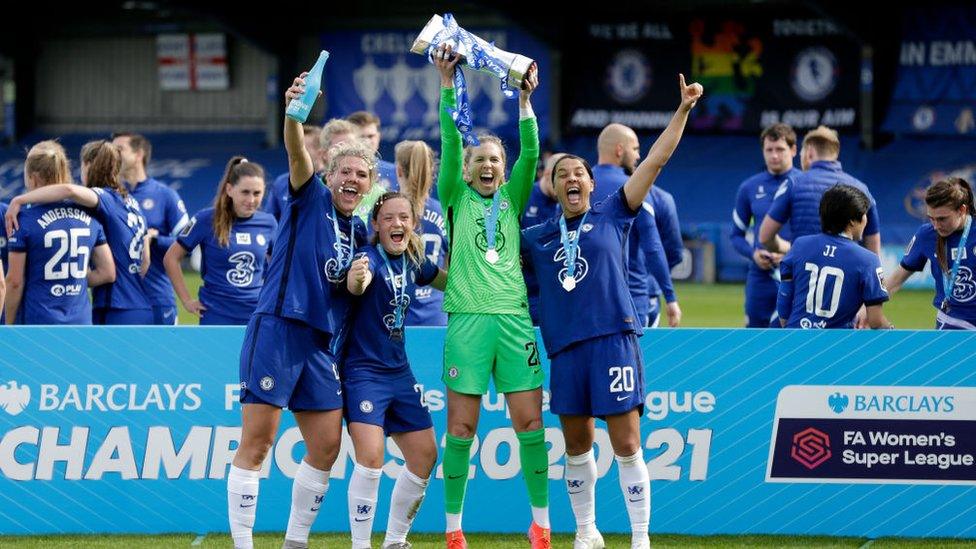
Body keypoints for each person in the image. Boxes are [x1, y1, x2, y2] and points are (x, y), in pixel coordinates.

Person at [522, 74, 702, 549]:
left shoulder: (613, 212)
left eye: (578, 173)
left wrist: (681, 110)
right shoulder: (537, 237)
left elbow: (657, 160)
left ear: (591, 180)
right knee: (577, 449)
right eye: (562, 175)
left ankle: (639, 537)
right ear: (553, 187)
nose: (572, 179)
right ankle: (587, 532)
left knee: (626, 444)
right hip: (565, 350)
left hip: (613, 340)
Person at [226, 73, 369, 549]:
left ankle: (295, 541)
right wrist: (294, 114)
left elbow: (346, 288)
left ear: (368, 186)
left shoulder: (360, 233)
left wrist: (354, 284)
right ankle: (244, 544)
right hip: (278, 330)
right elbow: (294, 149)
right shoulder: (309, 197)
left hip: (319, 344)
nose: (352, 179)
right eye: (345, 171)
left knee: (327, 446)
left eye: (361, 175)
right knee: (259, 444)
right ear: (329, 174)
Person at [432, 43, 550, 549]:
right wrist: (445, 84)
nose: (486, 165)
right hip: (467, 323)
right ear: (468, 167)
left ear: (503, 168)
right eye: (479, 159)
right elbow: (449, 141)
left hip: (514, 322)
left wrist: (525, 101)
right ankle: (453, 529)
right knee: (461, 429)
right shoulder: (453, 194)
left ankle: (541, 524)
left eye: (494, 160)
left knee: (530, 425)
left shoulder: (514, 198)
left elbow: (533, 152)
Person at [343, 192, 447, 549]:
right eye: (388, 218)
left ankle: (395, 540)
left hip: (400, 372)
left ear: (413, 224)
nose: (397, 224)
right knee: (371, 459)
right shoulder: (368, 258)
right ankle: (360, 544)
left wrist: (483, 283)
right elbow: (358, 283)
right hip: (363, 373)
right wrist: (357, 279)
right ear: (376, 225)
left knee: (425, 455)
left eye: (403, 217)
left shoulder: (414, 261)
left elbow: (444, 281)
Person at [4, 140, 150, 324]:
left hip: (111, 307)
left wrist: (18, 200)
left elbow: (69, 190)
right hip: (131, 304)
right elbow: (143, 261)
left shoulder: (101, 199)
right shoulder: (121, 205)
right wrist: (75, 278)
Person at [164, 157, 277, 325]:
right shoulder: (205, 219)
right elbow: (171, 258)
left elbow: (280, 265)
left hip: (256, 315)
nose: (251, 200)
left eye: (257, 193)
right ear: (230, 189)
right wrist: (187, 301)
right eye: (245, 192)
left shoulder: (269, 223)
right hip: (216, 314)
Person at [592, 123, 681, 327]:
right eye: (635, 149)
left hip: (587, 297)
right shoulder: (634, 191)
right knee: (634, 358)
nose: (638, 156)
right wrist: (670, 297)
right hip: (630, 297)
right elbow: (653, 246)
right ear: (619, 150)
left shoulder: (579, 186)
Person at [776, 185, 891, 329]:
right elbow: (875, 321)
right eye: (864, 214)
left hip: (796, 338)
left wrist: (788, 328)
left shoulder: (799, 245)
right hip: (838, 345)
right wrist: (892, 330)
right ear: (852, 221)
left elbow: (784, 294)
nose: (866, 220)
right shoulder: (868, 260)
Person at [759, 125, 881, 255]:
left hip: (804, 271)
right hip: (846, 272)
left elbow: (765, 237)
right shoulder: (861, 189)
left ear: (809, 152)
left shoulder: (793, 184)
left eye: (802, 152)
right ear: (835, 152)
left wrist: (792, 249)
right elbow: (874, 250)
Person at [112, 132, 190, 324]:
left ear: (139, 154)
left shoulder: (164, 195)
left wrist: (155, 240)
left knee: (163, 354)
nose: (113, 155)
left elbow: (188, 243)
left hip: (157, 298)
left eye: (119, 150)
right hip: (119, 301)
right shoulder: (110, 196)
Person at [730, 123, 801, 327]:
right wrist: (754, 254)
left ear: (794, 150)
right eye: (769, 150)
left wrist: (791, 253)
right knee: (754, 334)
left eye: (780, 149)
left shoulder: (804, 184)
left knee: (793, 334)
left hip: (797, 273)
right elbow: (736, 235)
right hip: (760, 275)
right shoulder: (749, 187)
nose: (774, 155)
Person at [885, 177, 976, 330]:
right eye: (931, 219)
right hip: (953, 324)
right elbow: (896, 279)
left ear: (962, 210)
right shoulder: (926, 235)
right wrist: (868, 307)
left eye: (942, 219)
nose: (935, 226)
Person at [394, 140, 448, 326]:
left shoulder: (386, 212)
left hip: (396, 317)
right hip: (435, 316)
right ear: (431, 171)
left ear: (398, 171)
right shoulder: (446, 212)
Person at [521, 153, 564, 325]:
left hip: (557, 294)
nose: (564, 184)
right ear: (546, 174)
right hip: (527, 295)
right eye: (559, 177)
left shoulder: (568, 201)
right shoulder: (524, 197)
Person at [265, 125, 324, 222]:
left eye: (302, 150)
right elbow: (270, 222)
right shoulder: (281, 182)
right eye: (293, 149)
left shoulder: (330, 181)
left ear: (320, 152)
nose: (295, 153)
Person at [347, 111, 398, 191]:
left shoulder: (395, 172)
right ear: (349, 139)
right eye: (361, 137)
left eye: (370, 136)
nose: (366, 141)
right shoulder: (340, 172)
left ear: (378, 137)